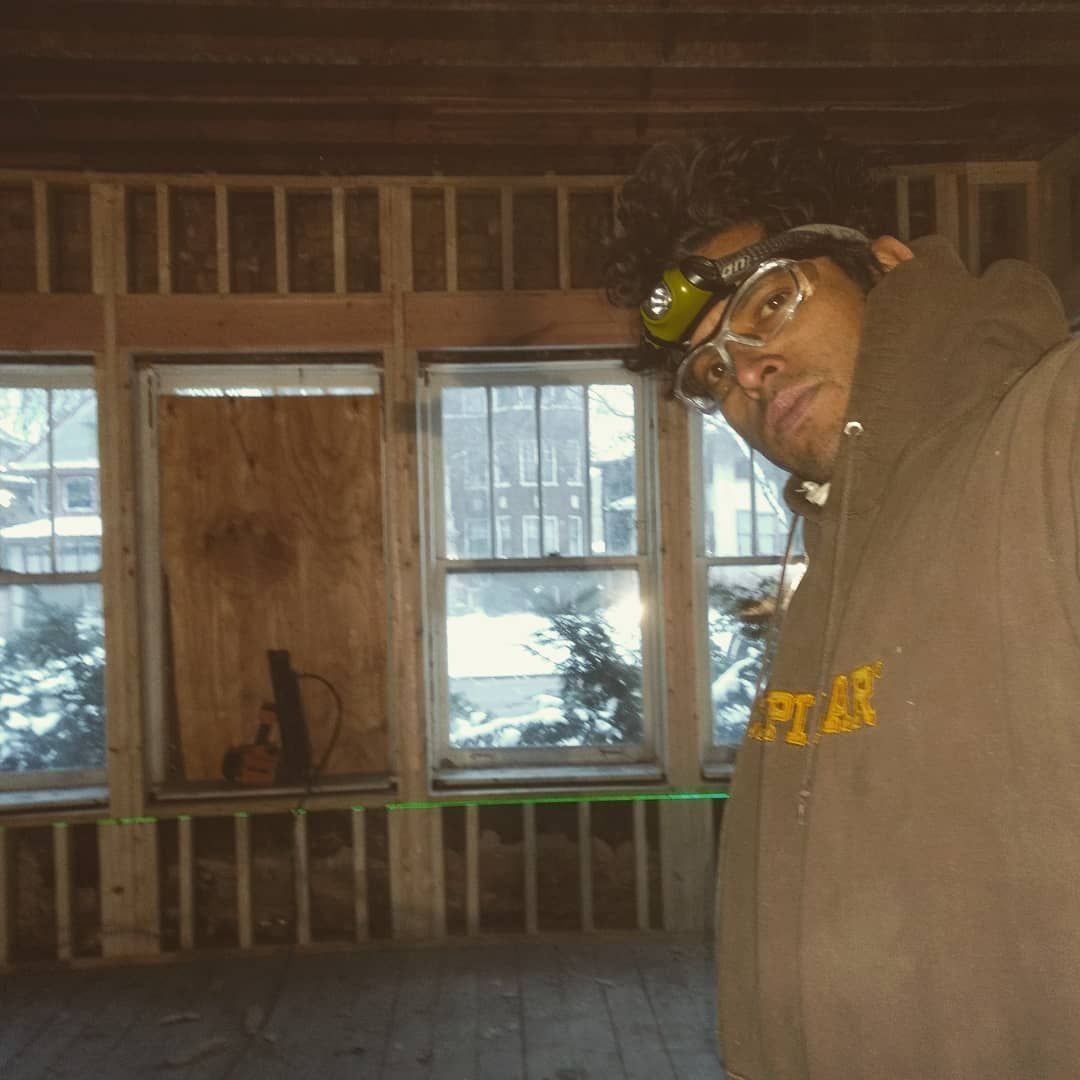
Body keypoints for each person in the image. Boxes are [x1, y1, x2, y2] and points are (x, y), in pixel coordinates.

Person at [606, 132, 1080, 1080]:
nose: (743, 375)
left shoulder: (1048, 442)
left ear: (886, 264)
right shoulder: (829, 572)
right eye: (709, 374)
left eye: (771, 302)